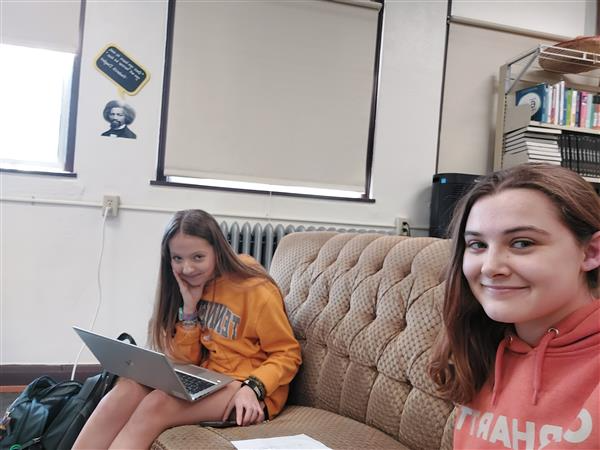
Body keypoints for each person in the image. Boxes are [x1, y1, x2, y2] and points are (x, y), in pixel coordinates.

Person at [73, 209, 302, 449]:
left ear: (218, 250)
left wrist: (253, 388)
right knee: (127, 389)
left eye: (198, 257)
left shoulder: (256, 290)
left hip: (246, 386)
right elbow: (187, 360)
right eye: (178, 259)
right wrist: (190, 309)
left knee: (156, 404)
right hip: (209, 379)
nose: (188, 269)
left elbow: (288, 353)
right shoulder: (192, 286)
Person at [429, 163, 600, 449]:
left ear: (591, 252)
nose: (490, 267)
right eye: (477, 245)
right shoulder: (479, 342)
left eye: (521, 243)